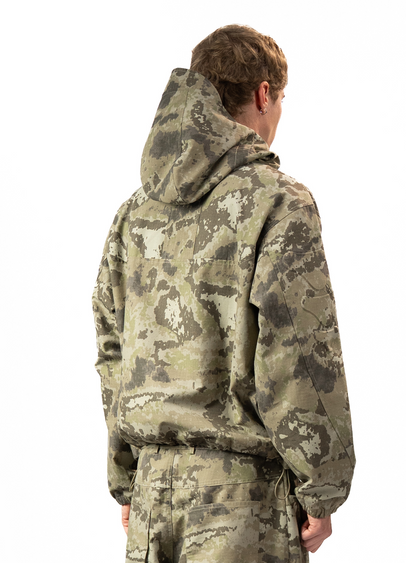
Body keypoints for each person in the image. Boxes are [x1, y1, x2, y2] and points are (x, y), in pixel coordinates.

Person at [92, 24, 355, 563]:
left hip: (150, 502)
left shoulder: (134, 213)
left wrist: (128, 476)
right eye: (280, 100)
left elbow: (113, 347)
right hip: (243, 504)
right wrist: (321, 486)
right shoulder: (279, 202)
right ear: (263, 93)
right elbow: (299, 353)